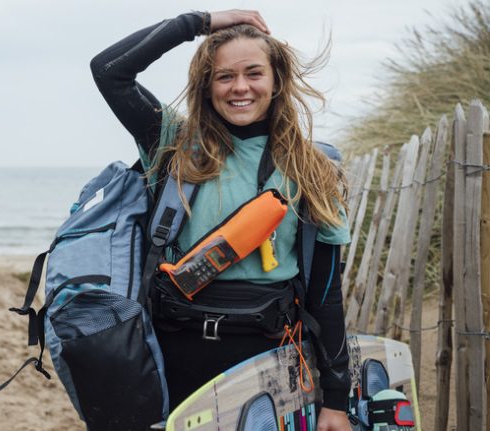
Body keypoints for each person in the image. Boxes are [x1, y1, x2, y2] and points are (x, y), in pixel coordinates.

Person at [90, 10, 352, 431]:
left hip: (269, 361)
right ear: (206, 85)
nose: (240, 87)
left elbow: (326, 292)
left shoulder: (312, 168)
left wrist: (336, 401)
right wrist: (198, 22)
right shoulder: (173, 143)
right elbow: (109, 71)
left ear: (276, 79)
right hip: (175, 361)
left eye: (254, 73)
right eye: (224, 76)